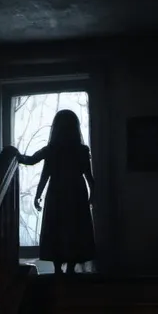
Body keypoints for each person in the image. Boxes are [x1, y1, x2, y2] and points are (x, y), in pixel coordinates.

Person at [19, 109, 95, 274]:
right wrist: (93, 195)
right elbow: (89, 176)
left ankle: (57, 268)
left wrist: (14, 154)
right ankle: (71, 268)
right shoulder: (81, 150)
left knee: (56, 227)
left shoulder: (51, 149)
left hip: (57, 193)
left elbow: (34, 163)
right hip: (76, 193)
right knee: (75, 228)